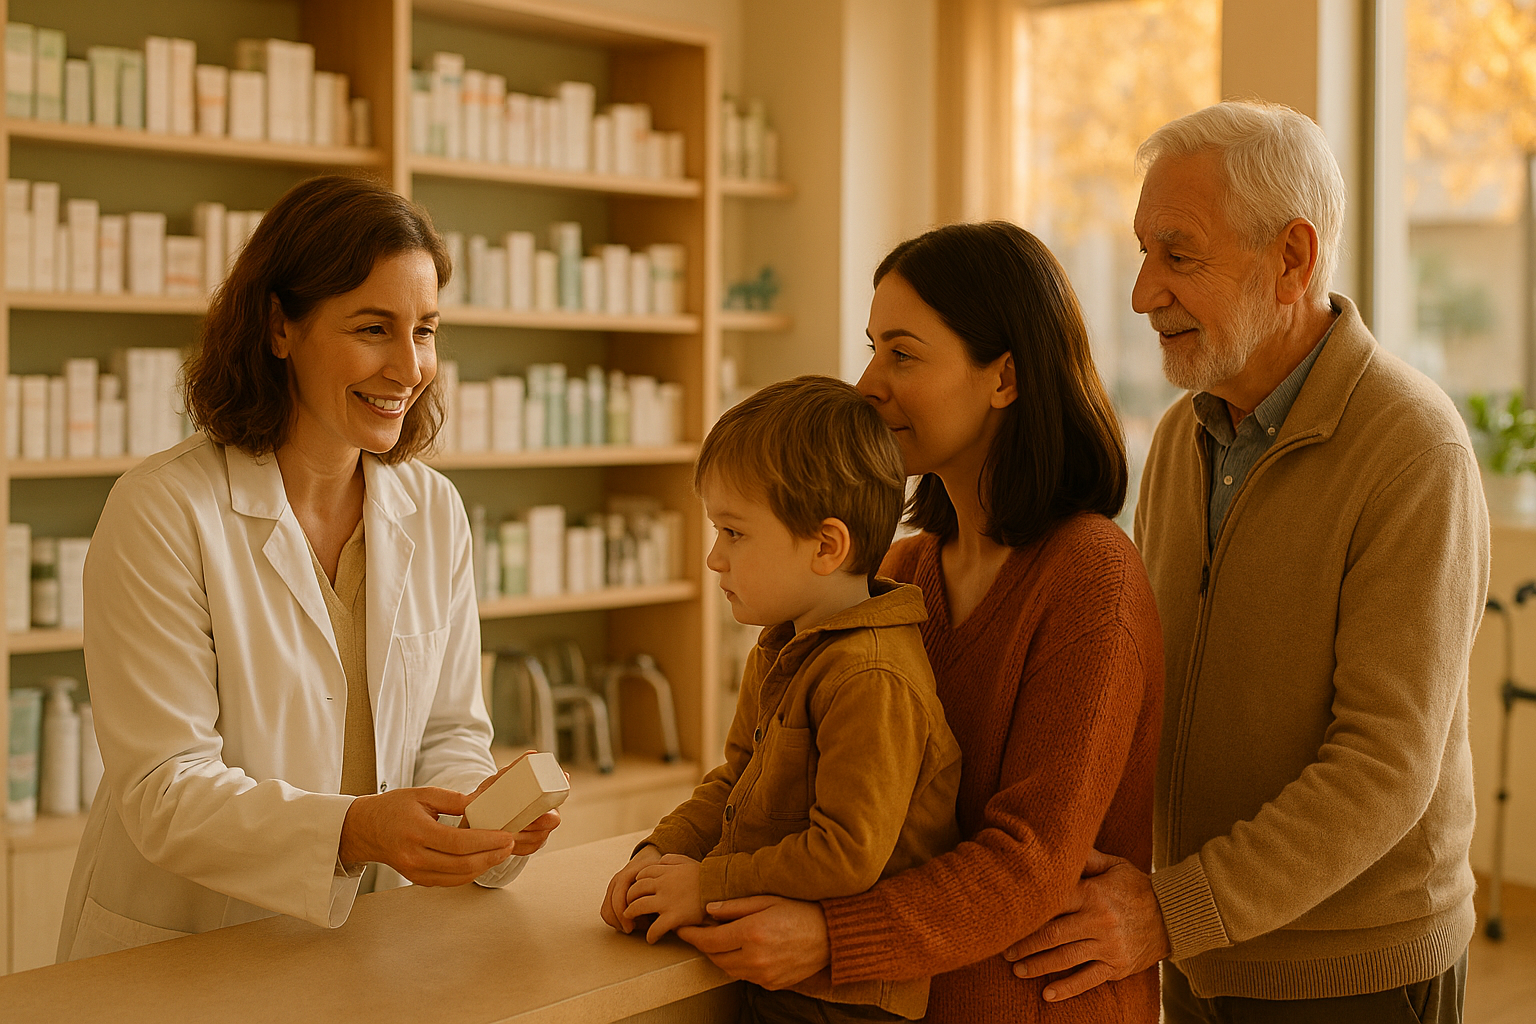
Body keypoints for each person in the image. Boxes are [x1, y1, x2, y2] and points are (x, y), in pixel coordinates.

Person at [1005, 101, 1487, 1023]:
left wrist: (1168, 910)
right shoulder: (1187, 434)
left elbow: (1384, 766)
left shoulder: (1414, 448)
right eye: (1143, 253)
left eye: (1177, 256)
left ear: (1293, 260)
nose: (1142, 293)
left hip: (1355, 975)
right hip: (1198, 951)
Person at [670, 222, 1165, 1024]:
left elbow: (1029, 860)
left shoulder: (1090, 577)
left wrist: (831, 938)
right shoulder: (897, 574)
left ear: (1003, 377)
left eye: (902, 354)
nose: (868, 382)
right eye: (871, 349)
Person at [58, 175, 559, 962]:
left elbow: (449, 730)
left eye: (424, 330)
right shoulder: (163, 509)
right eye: (372, 329)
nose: (409, 366)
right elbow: (164, 788)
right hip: (186, 953)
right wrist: (353, 828)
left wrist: (479, 811)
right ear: (279, 327)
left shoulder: (433, 511)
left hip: (369, 946)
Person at [600, 376, 962, 1023]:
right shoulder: (783, 646)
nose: (714, 558)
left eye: (733, 533)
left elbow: (845, 853)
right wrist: (663, 852)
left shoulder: (870, 677)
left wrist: (704, 883)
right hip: (776, 981)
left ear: (826, 547)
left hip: (844, 1003)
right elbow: (736, 780)